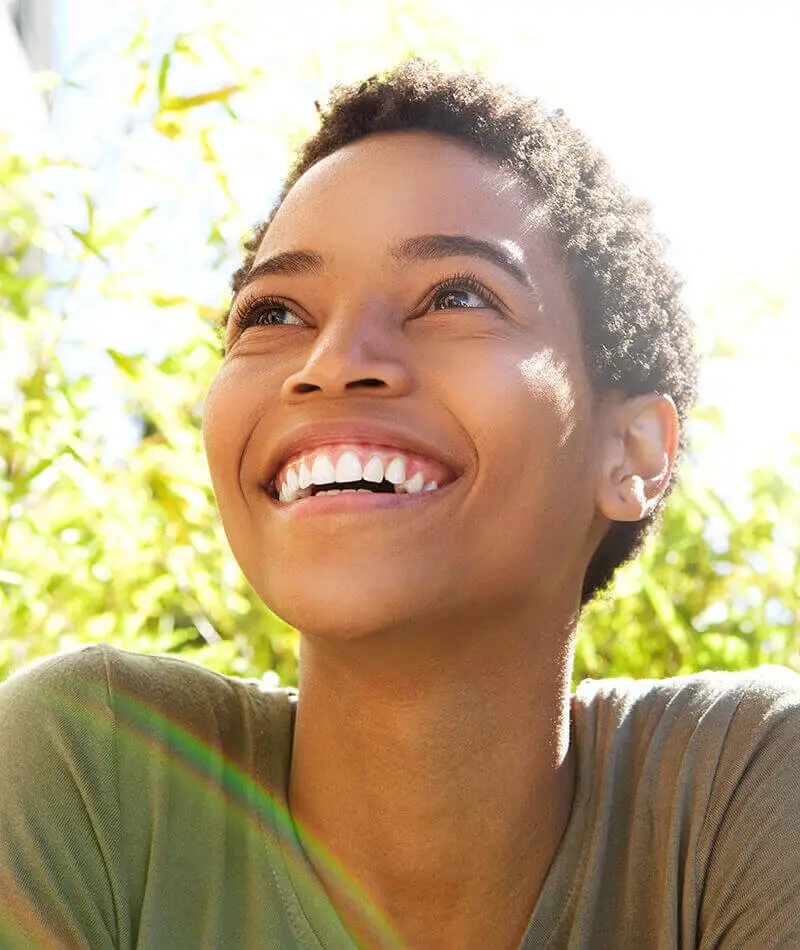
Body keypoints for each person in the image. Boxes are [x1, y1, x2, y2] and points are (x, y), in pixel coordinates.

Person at [1, 59, 798, 950]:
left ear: (633, 453)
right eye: (274, 314)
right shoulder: (95, 769)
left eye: (457, 295)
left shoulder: (737, 795)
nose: (332, 360)